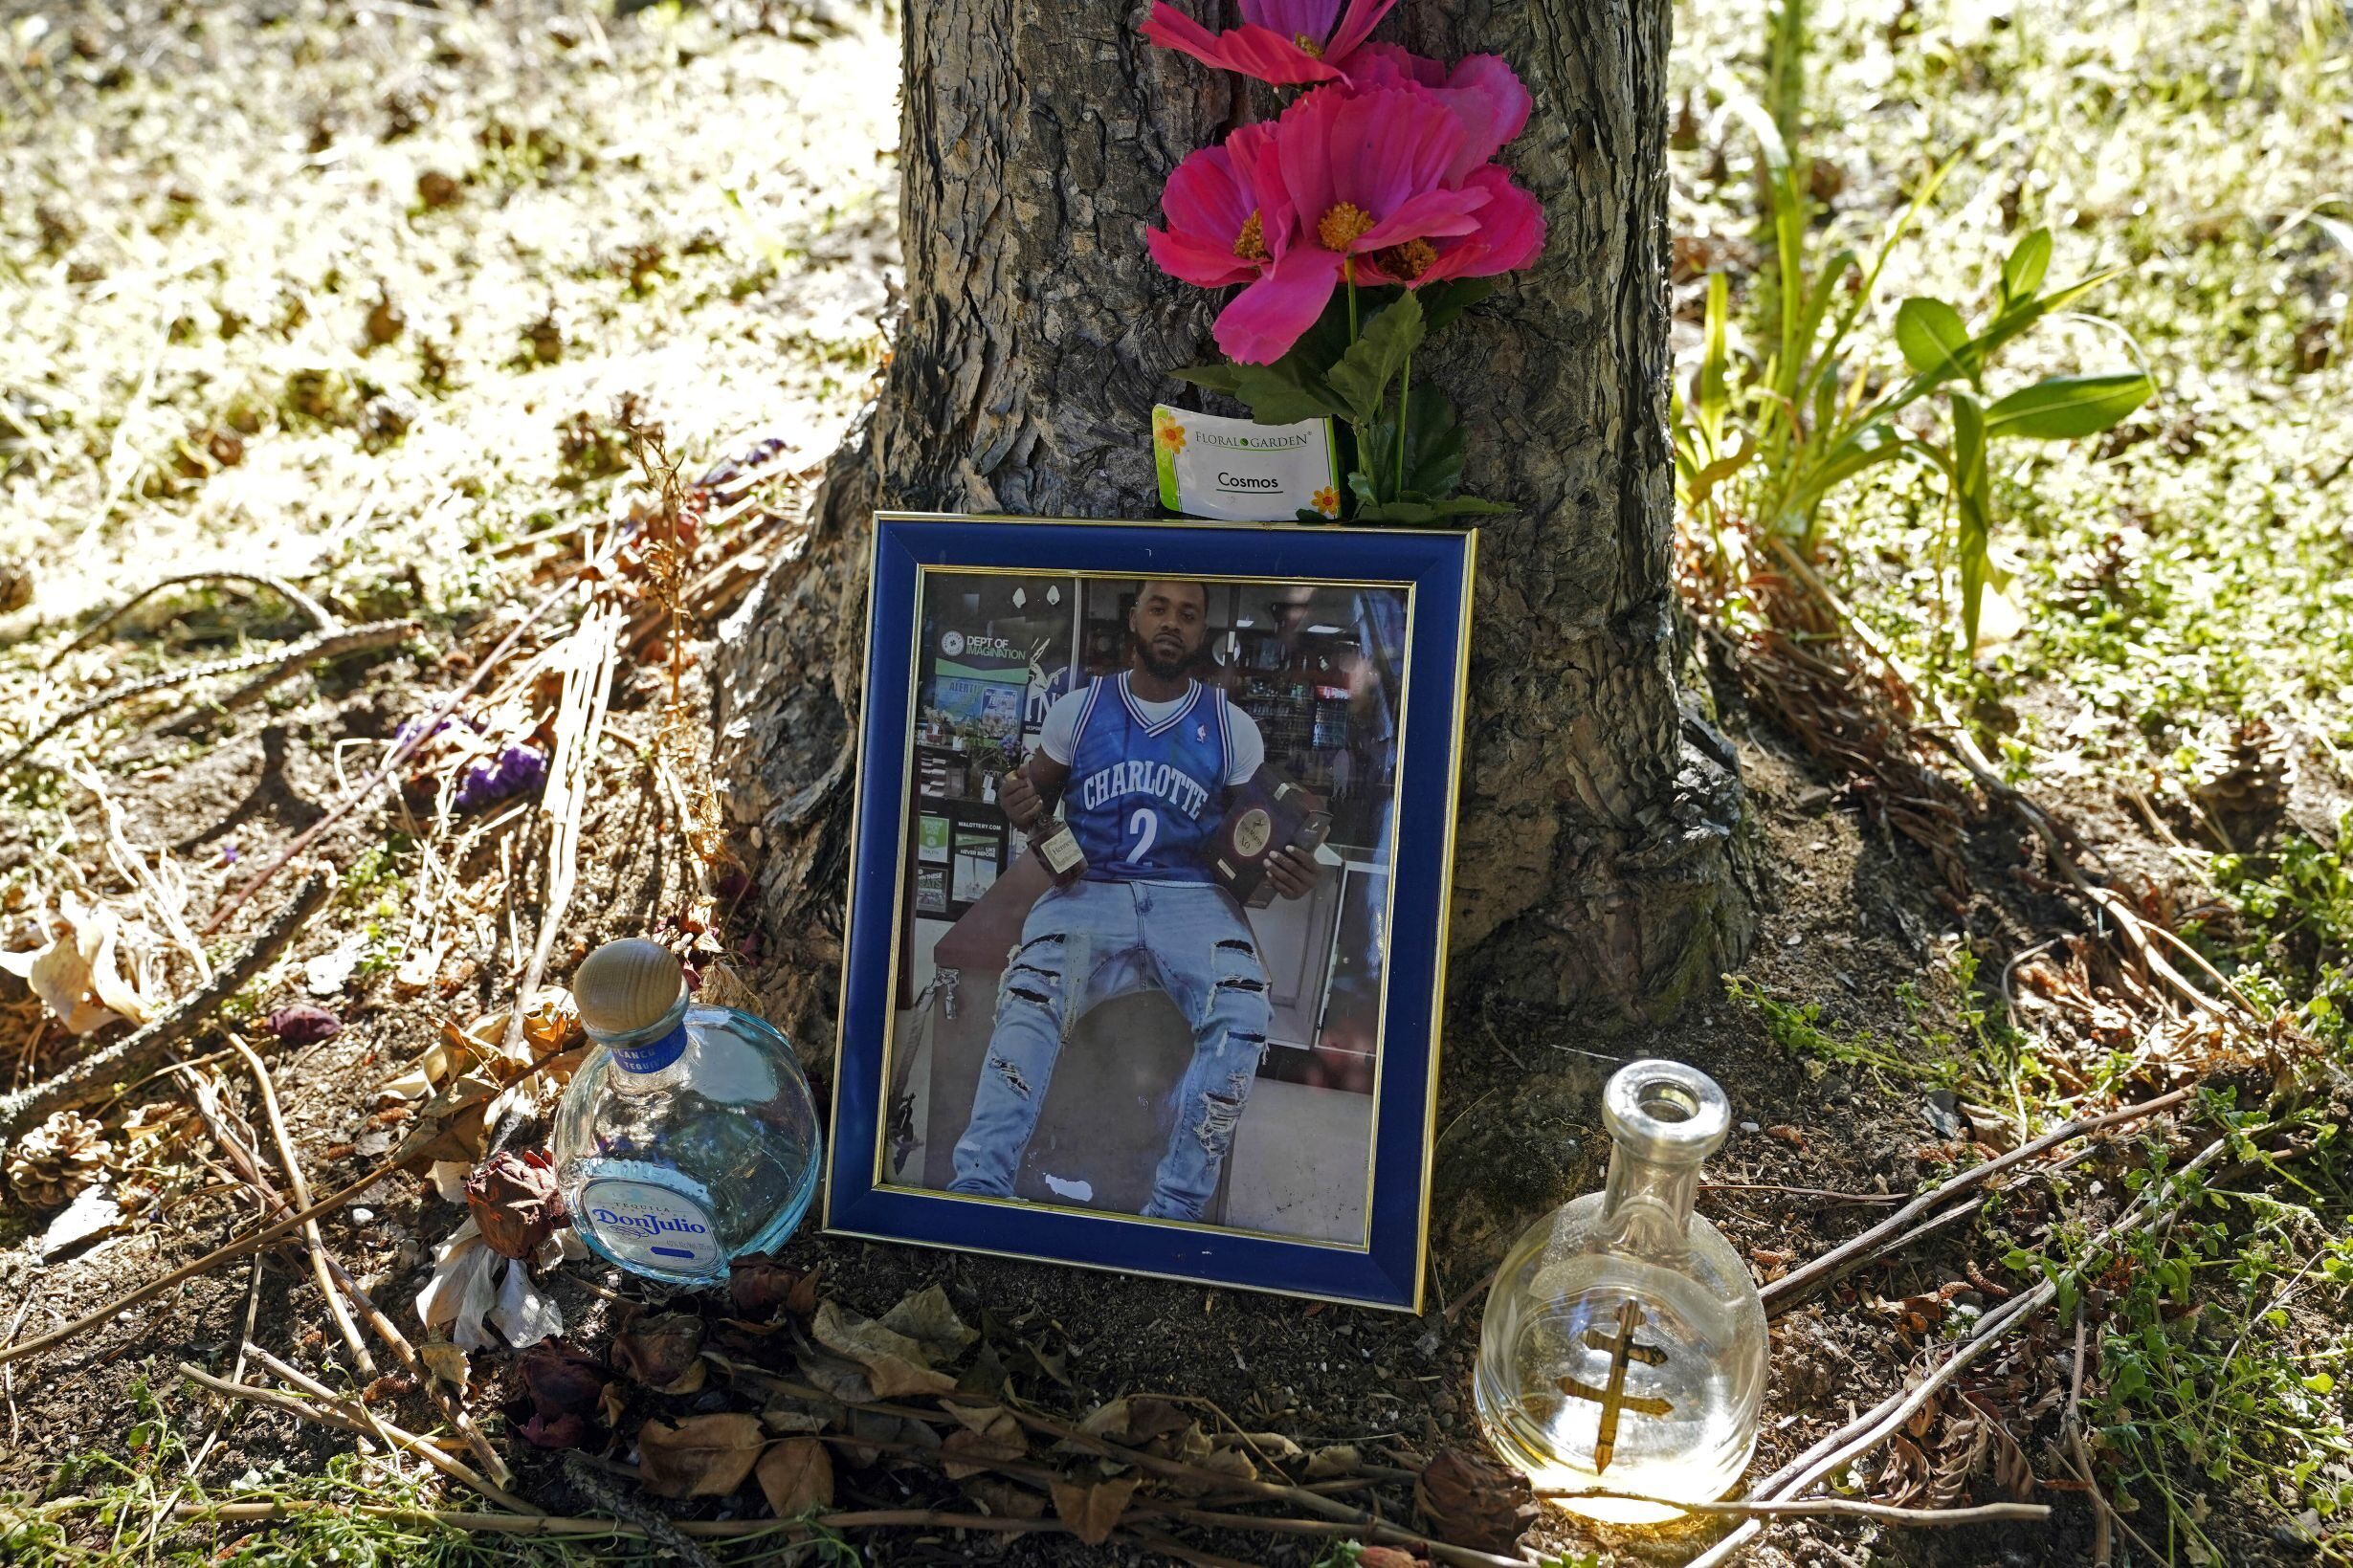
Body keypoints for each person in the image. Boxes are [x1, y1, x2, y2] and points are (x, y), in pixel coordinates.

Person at [947, 579, 1321, 1221]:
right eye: (1159, 607)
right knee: (1030, 996)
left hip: (1191, 897)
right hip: (1090, 889)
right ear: (1134, 618)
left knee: (1242, 1011)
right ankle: (977, 1190)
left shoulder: (1231, 726)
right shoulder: (1079, 708)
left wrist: (1287, 868)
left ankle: (1175, 1207)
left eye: (1187, 613)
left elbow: (1251, 843)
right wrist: (1018, 805)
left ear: (1201, 631)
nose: (1171, 622)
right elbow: (1030, 803)